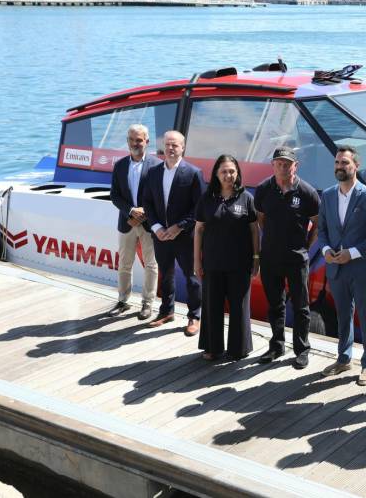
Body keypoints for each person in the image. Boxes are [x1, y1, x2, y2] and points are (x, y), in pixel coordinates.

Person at [317, 145, 366, 386]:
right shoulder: (327, 195)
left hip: (361, 268)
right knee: (343, 315)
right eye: (337, 163)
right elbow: (322, 230)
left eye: (345, 163)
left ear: (356, 166)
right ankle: (344, 359)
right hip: (335, 267)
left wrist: (352, 253)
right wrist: (326, 251)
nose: (340, 167)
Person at [254, 146, 320, 370]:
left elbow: (317, 224)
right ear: (273, 165)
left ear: (296, 166)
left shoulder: (307, 192)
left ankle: (301, 350)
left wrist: (305, 246)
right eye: (279, 163)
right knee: (275, 304)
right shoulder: (263, 189)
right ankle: (276, 345)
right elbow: (261, 219)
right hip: (270, 257)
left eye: (287, 164)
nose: (283, 167)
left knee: (301, 306)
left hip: (297, 258)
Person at [194, 154, 259, 361]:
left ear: (237, 173)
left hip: (240, 264)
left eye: (232, 171)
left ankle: (238, 349)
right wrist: (197, 261)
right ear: (216, 174)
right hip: (213, 263)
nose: (228, 175)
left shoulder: (246, 198)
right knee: (212, 306)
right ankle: (213, 348)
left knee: (240, 308)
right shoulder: (206, 198)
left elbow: (254, 231)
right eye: (224, 171)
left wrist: (256, 258)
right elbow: (199, 230)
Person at [142, 130, 204, 336]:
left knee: (191, 277)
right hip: (160, 235)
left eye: (175, 145)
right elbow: (147, 204)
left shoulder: (193, 173)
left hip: (185, 237)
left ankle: (194, 316)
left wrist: (180, 226)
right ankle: (166, 311)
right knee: (165, 274)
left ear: (183, 147)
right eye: (167, 144)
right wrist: (157, 227)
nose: (170, 148)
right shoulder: (153, 172)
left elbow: (199, 208)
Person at [108, 124, 160, 320]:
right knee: (124, 263)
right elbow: (114, 195)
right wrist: (131, 210)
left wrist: (146, 211)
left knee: (151, 264)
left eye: (139, 140)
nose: (135, 143)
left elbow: (160, 196)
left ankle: (147, 304)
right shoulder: (120, 165)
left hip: (148, 223)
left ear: (147, 141)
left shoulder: (157, 165)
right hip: (127, 222)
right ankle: (123, 301)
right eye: (131, 140)